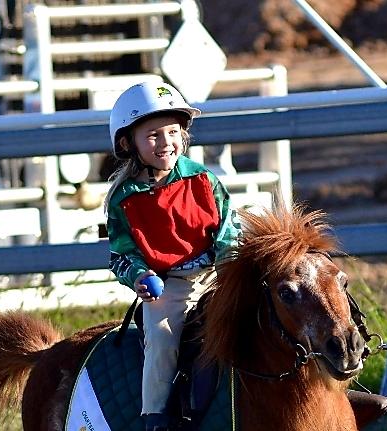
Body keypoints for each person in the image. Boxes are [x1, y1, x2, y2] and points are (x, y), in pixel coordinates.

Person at [105, 82, 241, 431]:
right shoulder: (125, 198)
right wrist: (138, 275)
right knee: (163, 336)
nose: (165, 143)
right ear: (127, 143)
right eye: (152, 135)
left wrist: (230, 272)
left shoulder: (204, 179)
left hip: (217, 274)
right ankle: (155, 416)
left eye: (172, 132)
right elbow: (122, 254)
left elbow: (229, 230)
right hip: (171, 285)